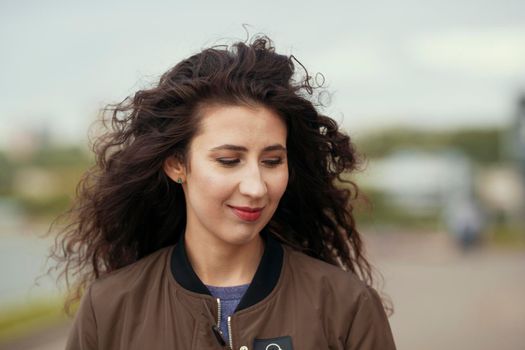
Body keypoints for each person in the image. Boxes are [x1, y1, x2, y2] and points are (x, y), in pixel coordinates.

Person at [54, 36, 396, 349]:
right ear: (177, 164)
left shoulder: (346, 304)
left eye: (273, 160)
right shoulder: (110, 306)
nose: (256, 186)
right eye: (229, 160)